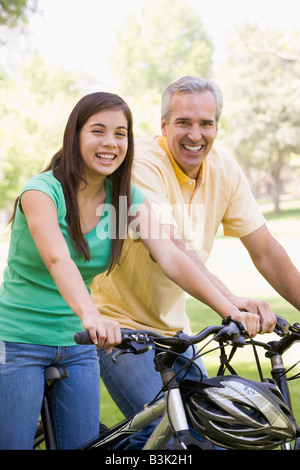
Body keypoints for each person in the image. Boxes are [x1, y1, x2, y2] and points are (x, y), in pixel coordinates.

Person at [0, 90, 262, 450]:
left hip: (77, 344)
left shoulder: (124, 198)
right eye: (98, 131)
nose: (110, 143)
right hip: (18, 341)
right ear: (75, 136)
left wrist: (229, 307)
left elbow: (171, 256)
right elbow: (58, 260)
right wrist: (92, 316)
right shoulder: (41, 192)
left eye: (120, 134)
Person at [91, 76, 300, 448]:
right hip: (118, 328)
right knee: (176, 440)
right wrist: (230, 302)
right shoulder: (141, 165)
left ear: (217, 126)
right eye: (184, 122)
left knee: (216, 430)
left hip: (178, 333)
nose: (195, 134)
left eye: (206, 123)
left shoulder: (225, 170)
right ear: (164, 125)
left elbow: (266, 249)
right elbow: (172, 249)